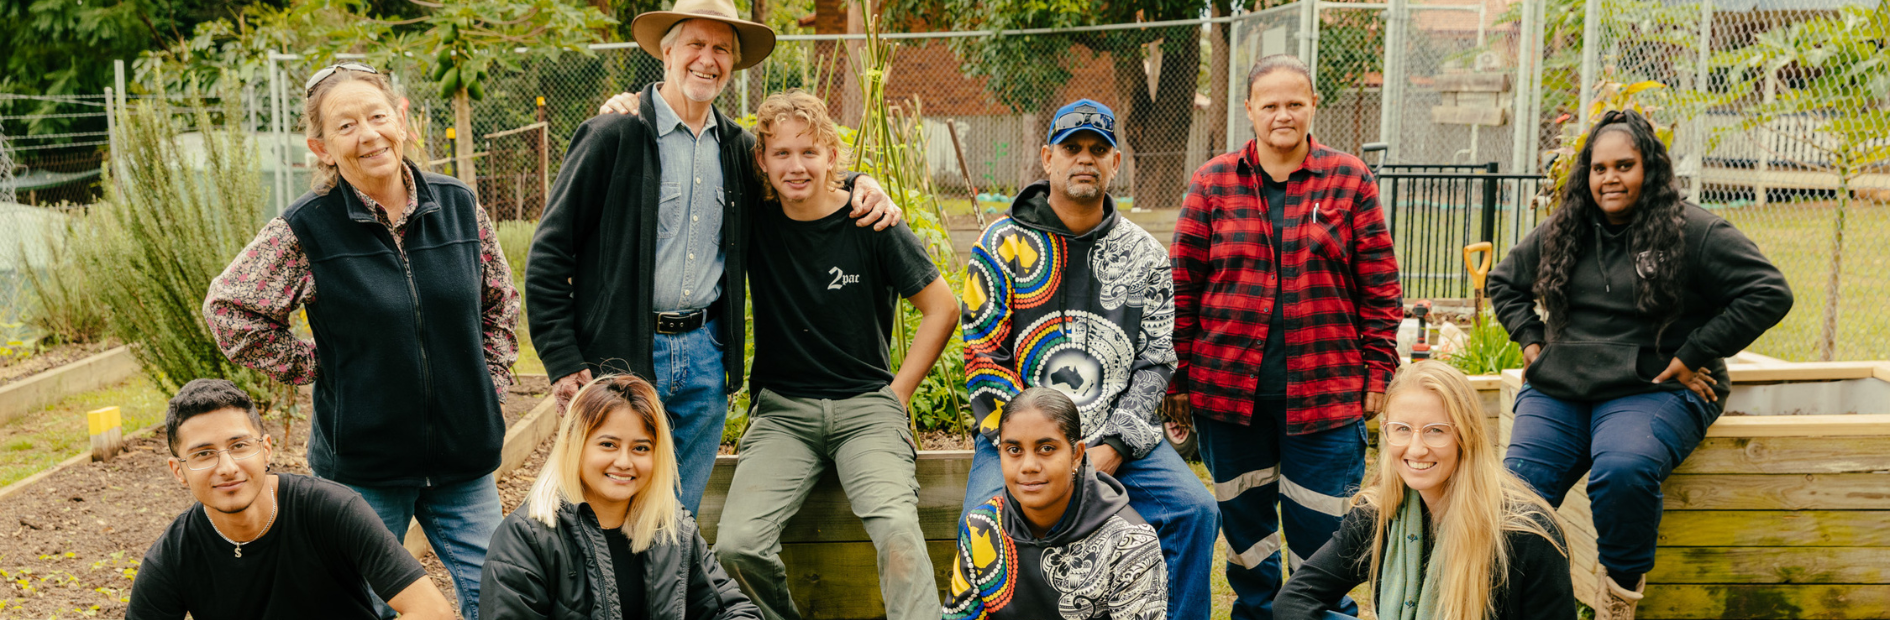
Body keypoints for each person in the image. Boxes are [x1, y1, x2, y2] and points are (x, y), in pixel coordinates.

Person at [527, 0, 899, 515]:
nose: (707, 59)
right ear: (667, 50)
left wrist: (861, 183)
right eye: (695, 45)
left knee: (678, 517)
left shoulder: (739, 151)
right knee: (603, 509)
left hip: (704, 359)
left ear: (733, 63)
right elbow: (549, 255)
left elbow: (801, 177)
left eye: (721, 48)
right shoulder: (612, 137)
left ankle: (667, 598)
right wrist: (564, 360)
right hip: (623, 354)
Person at [204, 62, 516, 619]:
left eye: (376, 116)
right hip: (364, 469)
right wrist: (320, 367)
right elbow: (229, 309)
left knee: (500, 599)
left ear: (402, 120)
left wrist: (489, 382)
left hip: (464, 461)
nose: (368, 135)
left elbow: (500, 303)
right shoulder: (307, 228)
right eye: (345, 126)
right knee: (362, 606)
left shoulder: (459, 205)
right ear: (321, 147)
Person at [1486, 109, 1792, 620]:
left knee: (1623, 469)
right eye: (1599, 168)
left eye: (1624, 165)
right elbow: (1504, 282)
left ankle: (1619, 596)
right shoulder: (1564, 230)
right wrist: (1531, 340)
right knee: (1513, 495)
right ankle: (1522, 601)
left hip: (1654, 386)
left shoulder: (1693, 231)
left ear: (1648, 168)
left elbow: (1768, 292)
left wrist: (1693, 351)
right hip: (1564, 385)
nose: (1610, 178)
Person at [960, 97, 1219, 620]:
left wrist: (1114, 445)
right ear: (1047, 158)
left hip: (1115, 437)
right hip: (1022, 439)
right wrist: (1046, 450)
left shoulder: (1145, 252)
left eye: (1098, 149)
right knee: (980, 521)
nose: (1085, 158)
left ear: (1115, 163)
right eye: (1071, 147)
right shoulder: (1000, 244)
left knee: (1195, 510)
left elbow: (1156, 361)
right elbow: (983, 356)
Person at [1165, 54, 1402, 620]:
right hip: (1228, 399)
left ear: (1313, 105)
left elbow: (1380, 287)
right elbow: (1180, 289)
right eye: (1269, 104)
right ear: (1249, 110)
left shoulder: (1348, 180)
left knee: (1323, 537)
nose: (1283, 114)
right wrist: (1178, 376)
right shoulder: (1212, 183)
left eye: (1294, 103)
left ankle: (1320, 615)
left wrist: (1378, 372)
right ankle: (1255, 613)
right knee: (1248, 537)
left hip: (1325, 398)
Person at [711, 91, 958, 620]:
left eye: (809, 152)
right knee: (735, 545)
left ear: (831, 156)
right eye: (781, 153)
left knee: (897, 533)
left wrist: (898, 394)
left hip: (867, 411)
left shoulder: (870, 223)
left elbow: (942, 308)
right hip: (783, 415)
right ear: (762, 160)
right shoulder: (757, 220)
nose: (796, 166)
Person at [127, 379, 455, 620]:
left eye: (240, 446)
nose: (227, 468)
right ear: (178, 470)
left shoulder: (331, 509)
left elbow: (433, 611)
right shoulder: (173, 555)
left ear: (265, 448)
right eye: (203, 454)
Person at [1275, 361, 1575, 620]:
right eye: (1402, 428)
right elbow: (1294, 601)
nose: (1416, 449)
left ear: (1466, 436)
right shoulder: (1381, 514)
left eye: (1436, 430)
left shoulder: (1526, 534)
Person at [480, 374, 760, 619]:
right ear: (575, 445)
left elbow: (732, 608)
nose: (624, 462)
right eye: (608, 444)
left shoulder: (672, 530)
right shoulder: (526, 540)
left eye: (640, 448)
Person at [945, 387, 1167, 620]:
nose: (1028, 465)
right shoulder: (982, 527)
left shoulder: (1130, 543)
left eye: (1046, 448)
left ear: (1077, 454)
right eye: (1014, 450)